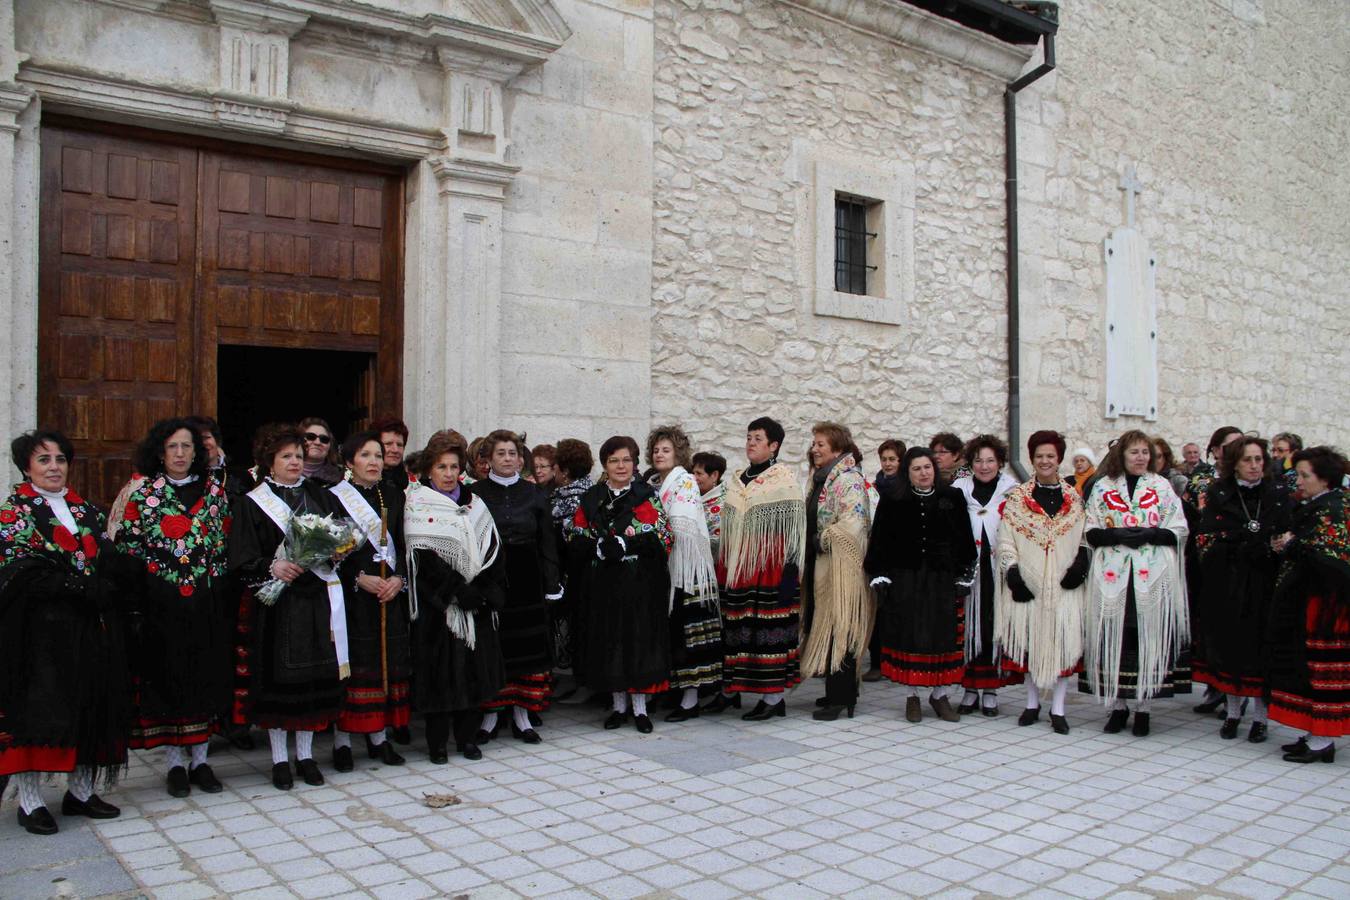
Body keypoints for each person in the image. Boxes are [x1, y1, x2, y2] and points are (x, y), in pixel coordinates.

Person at [0, 430, 129, 835]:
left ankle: (81, 793)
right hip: (39, 631)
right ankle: (30, 801)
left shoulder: (84, 508)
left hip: (88, 626)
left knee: (89, 703)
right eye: (44, 460)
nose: (54, 467)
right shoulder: (14, 512)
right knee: (39, 711)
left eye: (60, 459)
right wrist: (75, 585)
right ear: (26, 468)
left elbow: (106, 554)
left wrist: (114, 577)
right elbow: (19, 569)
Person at [112, 418, 231, 798]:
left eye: (186, 447)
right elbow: (130, 550)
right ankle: (175, 765)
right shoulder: (144, 495)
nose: (179, 454)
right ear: (160, 453)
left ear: (197, 453)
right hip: (160, 606)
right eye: (172, 447)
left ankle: (201, 762)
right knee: (168, 680)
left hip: (205, 604)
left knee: (203, 679)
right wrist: (137, 603)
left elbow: (223, 546)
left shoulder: (214, 492)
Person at [229, 424, 346, 790]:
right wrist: (272, 566)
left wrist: (335, 552)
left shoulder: (320, 495)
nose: (294, 461)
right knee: (279, 684)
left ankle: (306, 756)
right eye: (286, 456)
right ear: (270, 461)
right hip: (277, 604)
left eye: (298, 455)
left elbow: (342, 537)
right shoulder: (253, 502)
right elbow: (242, 554)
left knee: (311, 681)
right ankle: (280, 759)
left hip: (314, 599)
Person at [1080, 430, 1190, 737]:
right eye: (1134, 452)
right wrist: (1113, 535)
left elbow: (1179, 528)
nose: (1140, 458)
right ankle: (1118, 706)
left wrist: (1152, 533)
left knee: (1145, 639)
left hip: (1149, 574)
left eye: (1145, 452)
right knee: (1116, 638)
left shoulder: (1161, 486)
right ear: (1122, 455)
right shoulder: (1103, 486)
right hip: (1114, 576)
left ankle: (1143, 707)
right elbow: (1090, 528)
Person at [404, 435, 505, 762]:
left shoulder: (476, 504)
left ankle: (467, 738)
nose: (448, 474)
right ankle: (437, 743)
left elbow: (492, 549)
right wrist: (456, 591)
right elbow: (422, 558)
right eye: (441, 467)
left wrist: (481, 589)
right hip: (440, 608)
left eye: (453, 467)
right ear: (429, 470)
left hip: (475, 605)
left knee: (473, 672)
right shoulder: (418, 504)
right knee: (439, 675)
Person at [703, 417, 806, 721]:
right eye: (749, 437)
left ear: (774, 446)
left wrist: (790, 573)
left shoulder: (784, 480)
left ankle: (773, 698)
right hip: (736, 567)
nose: (750, 443)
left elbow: (794, 532)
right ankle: (730, 691)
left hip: (769, 567)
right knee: (734, 630)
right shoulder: (737, 479)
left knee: (767, 631)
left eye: (758, 438)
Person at [569, 436, 673, 733]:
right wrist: (598, 547)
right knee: (610, 640)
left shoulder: (647, 496)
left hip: (639, 584)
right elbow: (576, 536)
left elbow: (663, 536)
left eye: (626, 460)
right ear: (605, 464)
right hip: (603, 583)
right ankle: (618, 707)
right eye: (614, 460)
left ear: (635, 464)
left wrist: (628, 544)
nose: (621, 466)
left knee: (637, 640)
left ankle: (640, 709)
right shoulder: (591, 498)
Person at [1192, 437, 1292, 744]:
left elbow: (1287, 529)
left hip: (1266, 582)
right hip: (1230, 581)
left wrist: (1280, 544)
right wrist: (1236, 545)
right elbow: (1206, 537)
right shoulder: (1219, 492)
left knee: (1262, 650)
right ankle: (1233, 712)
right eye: (1247, 459)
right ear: (1234, 463)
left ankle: (1261, 718)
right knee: (1232, 647)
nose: (1254, 465)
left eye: (1259, 459)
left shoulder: (1276, 493)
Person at [865, 447, 976, 724]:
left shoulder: (952, 497)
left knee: (941, 637)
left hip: (941, 578)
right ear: (908, 473)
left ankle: (940, 695)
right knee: (910, 635)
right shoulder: (894, 500)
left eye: (927, 467)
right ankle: (912, 696)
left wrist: (964, 572)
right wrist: (880, 573)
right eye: (917, 469)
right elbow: (880, 540)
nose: (923, 473)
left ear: (934, 469)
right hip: (906, 577)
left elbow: (964, 538)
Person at [470, 430, 561, 745]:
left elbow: (547, 542)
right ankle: (491, 715)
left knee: (526, 649)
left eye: (512, 453)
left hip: (528, 579)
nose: (507, 459)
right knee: (495, 646)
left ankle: (522, 716)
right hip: (490, 578)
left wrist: (552, 583)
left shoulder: (535, 494)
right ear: (488, 459)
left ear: (521, 460)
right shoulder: (475, 494)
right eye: (501, 453)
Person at [994, 431, 1088, 735]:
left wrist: (1080, 565)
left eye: (1050, 456)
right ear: (1032, 459)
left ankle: (1058, 708)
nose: (1044, 461)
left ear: (1059, 459)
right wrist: (1012, 572)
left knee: (1063, 641)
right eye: (1039, 456)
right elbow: (1005, 539)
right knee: (1030, 641)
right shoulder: (1018, 499)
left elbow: (1085, 537)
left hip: (1064, 583)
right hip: (1030, 580)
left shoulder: (1074, 499)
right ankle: (1032, 703)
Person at [330, 431, 411, 769]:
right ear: (350, 461)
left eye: (378, 455)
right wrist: (358, 578)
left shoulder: (393, 495)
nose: (374, 461)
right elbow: (328, 551)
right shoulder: (334, 498)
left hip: (388, 593)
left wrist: (399, 578)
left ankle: (379, 737)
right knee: (355, 666)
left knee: (383, 665)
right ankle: (342, 741)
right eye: (365, 455)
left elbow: (405, 544)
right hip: (353, 597)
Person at [1265, 446, 1349, 763]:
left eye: (1304, 475)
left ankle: (1323, 739)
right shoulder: (1319, 506)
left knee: (1321, 670)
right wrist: (1287, 546)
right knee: (1307, 668)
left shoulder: (1334, 509)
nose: (1298, 481)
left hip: (1326, 607)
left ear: (1324, 479)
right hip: (1311, 602)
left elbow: (1332, 561)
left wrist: (1293, 545)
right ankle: (1315, 734)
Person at [646, 427, 721, 722]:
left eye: (666, 450)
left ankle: (691, 700)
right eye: (656, 450)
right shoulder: (653, 484)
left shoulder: (685, 482)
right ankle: (674, 691)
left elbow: (681, 526)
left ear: (678, 454)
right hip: (665, 569)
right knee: (672, 634)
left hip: (688, 571)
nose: (659, 454)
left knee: (688, 636)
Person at [799, 423, 871, 721]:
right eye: (814, 444)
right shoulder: (822, 478)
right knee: (826, 625)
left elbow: (854, 524)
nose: (814, 449)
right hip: (821, 565)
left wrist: (821, 539)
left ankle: (842, 697)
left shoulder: (849, 480)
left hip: (841, 569)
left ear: (838, 448)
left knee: (841, 625)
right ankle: (837, 691)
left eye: (820, 444)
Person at [953, 435, 1023, 716]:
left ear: (1000, 462)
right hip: (968, 571)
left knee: (993, 624)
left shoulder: (1011, 491)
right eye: (978, 461)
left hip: (998, 571)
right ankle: (970, 689)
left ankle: (991, 690)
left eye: (990, 461)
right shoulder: (959, 489)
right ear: (971, 463)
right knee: (969, 626)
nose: (984, 466)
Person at [1182, 425, 1242, 716]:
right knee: (1207, 623)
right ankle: (1214, 685)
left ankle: (1237, 692)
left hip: (1239, 561)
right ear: (1215, 449)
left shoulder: (1246, 481)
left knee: (1236, 625)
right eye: (1229, 446)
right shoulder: (1201, 478)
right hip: (1203, 559)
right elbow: (1187, 512)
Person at [550, 439, 595, 685]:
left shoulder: (570, 500)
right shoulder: (589, 491)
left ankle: (581, 682)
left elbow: (567, 541)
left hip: (576, 573)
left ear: (565, 471)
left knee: (578, 627)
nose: (553, 470)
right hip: (584, 572)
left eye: (555, 466)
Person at [691, 451, 727, 559]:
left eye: (699, 474)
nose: (693, 478)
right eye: (693, 473)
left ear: (714, 475)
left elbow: (716, 546)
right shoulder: (691, 495)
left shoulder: (723, 504)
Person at [298, 417, 344, 487]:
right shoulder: (284, 472)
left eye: (324, 439)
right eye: (310, 437)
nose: (318, 442)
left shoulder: (342, 477)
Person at [371, 416, 411, 491]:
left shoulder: (411, 486)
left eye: (399, 445)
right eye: (388, 444)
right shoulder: (361, 482)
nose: (395, 450)